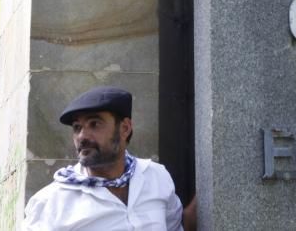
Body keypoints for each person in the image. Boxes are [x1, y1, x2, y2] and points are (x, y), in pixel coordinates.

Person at [24, 86, 196, 230]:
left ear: (125, 128)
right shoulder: (51, 202)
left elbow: (176, 226)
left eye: (94, 124)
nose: (82, 136)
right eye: (77, 127)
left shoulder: (155, 176)